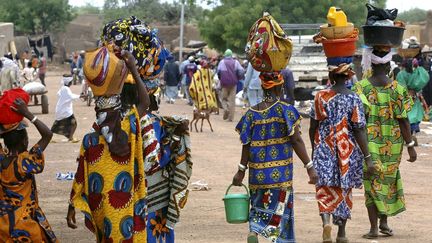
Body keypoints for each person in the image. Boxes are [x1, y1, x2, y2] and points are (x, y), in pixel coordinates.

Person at [66, 49, 151, 242]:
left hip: (106, 208)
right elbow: (145, 103)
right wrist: (133, 69)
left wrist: (71, 206)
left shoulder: (98, 138)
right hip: (122, 208)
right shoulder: (128, 130)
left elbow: (80, 177)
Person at [232, 71, 318, 243]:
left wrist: (241, 171)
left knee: (257, 206)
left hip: (257, 175)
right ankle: (277, 239)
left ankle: (254, 231)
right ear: (280, 88)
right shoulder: (287, 111)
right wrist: (310, 167)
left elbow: (246, 144)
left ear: (263, 88)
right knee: (280, 212)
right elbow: (296, 141)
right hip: (280, 175)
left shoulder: (250, 114)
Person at [353, 47, 417, 239]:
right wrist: (411, 148)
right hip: (393, 146)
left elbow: (356, 122)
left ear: (371, 65)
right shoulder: (398, 89)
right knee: (387, 183)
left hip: (368, 145)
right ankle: (384, 223)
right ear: (389, 65)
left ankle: (374, 228)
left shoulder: (361, 88)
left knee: (371, 185)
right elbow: (404, 121)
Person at [309, 64, 375, 243]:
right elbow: (360, 129)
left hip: (324, 147)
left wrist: (315, 150)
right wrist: (368, 158)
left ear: (331, 76)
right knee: (344, 190)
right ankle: (342, 233)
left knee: (324, 187)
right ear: (347, 78)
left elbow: (313, 126)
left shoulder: (320, 97)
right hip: (347, 151)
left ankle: (325, 222)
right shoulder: (354, 98)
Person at [0, 96, 58, 242]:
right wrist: (28, 114)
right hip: (26, 228)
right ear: (24, 140)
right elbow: (47, 135)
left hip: (4, 226)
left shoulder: (1, 159)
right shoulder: (25, 162)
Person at [217, 49, 244, 121]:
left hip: (224, 84)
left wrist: (221, 79)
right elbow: (241, 71)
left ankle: (226, 109)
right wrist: (237, 78)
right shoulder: (236, 62)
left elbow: (218, 72)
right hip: (233, 84)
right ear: (231, 55)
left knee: (223, 98)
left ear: (225, 55)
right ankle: (231, 118)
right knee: (232, 100)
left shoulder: (222, 62)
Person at [51, 75, 80, 142]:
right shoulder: (66, 89)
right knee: (74, 123)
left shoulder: (63, 88)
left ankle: (49, 136)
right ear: (69, 82)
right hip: (65, 110)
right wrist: (81, 96)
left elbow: (59, 94)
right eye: (71, 81)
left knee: (57, 124)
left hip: (62, 109)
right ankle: (70, 138)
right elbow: (71, 96)